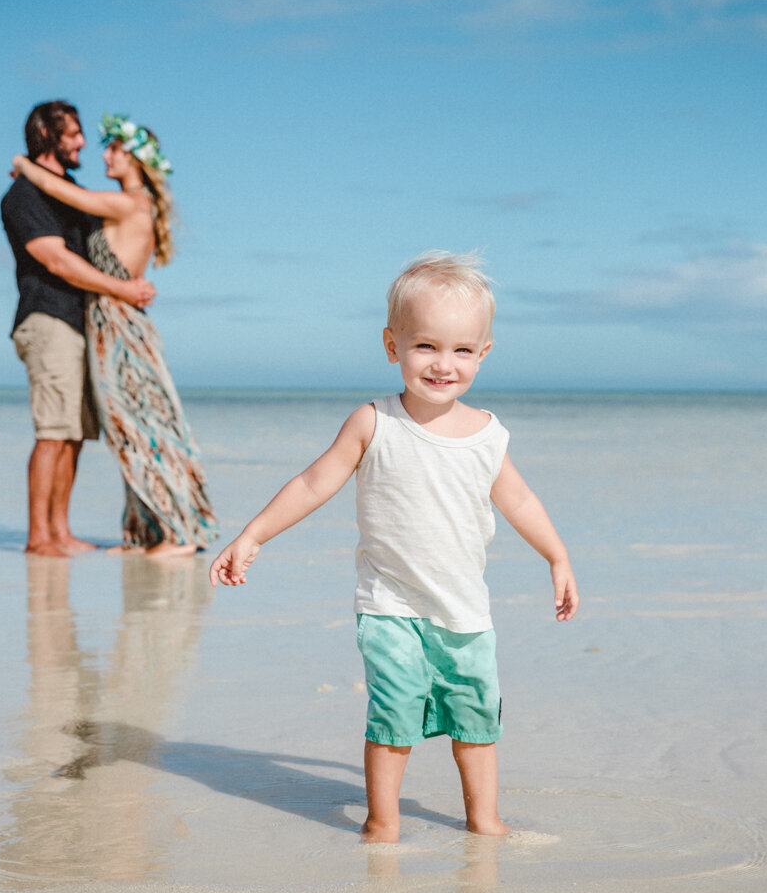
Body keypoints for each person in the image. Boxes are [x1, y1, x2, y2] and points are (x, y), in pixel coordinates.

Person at [208, 251, 579, 843]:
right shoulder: (373, 422)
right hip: (389, 607)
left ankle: (483, 819)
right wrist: (251, 535)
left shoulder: (488, 435)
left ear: (483, 354)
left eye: (462, 350)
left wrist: (557, 558)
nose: (442, 364)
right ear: (392, 345)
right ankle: (383, 822)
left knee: (477, 719)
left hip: (465, 611)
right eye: (425, 345)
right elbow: (312, 484)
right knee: (393, 716)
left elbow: (522, 502)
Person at [12, 113, 219, 557]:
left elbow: (60, 189)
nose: (102, 152)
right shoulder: (123, 202)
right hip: (106, 323)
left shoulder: (131, 202)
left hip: (120, 324)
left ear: (136, 160)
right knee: (128, 428)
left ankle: (178, 531)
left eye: (114, 149)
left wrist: (24, 165)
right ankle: (147, 530)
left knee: (144, 426)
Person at [2, 101, 156, 557]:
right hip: (47, 318)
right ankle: (38, 537)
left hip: (83, 326)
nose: (83, 143)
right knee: (53, 430)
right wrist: (122, 290)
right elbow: (55, 259)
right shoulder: (24, 197)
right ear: (47, 136)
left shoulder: (64, 191)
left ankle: (60, 532)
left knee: (75, 433)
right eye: (73, 134)